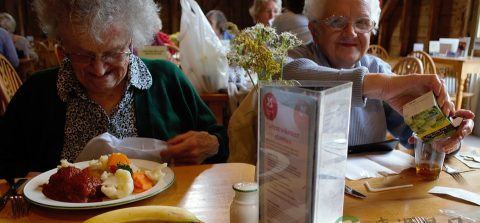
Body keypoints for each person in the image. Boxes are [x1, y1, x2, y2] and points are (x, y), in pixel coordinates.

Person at [0, 0, 228, 180]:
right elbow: (6, 162)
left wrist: (210, 144)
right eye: (83, 56)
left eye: (111, 53)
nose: (99, 69)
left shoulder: (167, 79)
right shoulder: (37, 93)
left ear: (131, 44)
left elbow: (220, 141)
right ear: (63, 52)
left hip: (157, 220)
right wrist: (23, 180)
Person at [284, 0, 474, 153]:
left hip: (367, 190)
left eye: (362, 23)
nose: (350, 32)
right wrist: (382, 86)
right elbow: (290, 75)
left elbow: (414, 137)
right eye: (337, 21)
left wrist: (444, 135)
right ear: (315, 30)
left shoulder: (377, 68)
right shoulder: (295, 59)